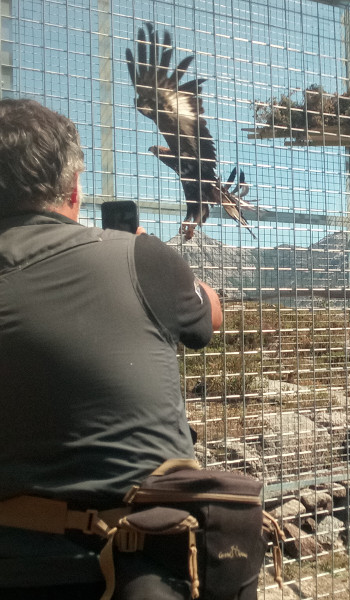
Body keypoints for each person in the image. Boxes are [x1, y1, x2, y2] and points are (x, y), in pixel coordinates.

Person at [0, 99, 222, 598]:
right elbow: (210, 317)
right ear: (75, 190)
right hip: (141, 566)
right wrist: (155, 262)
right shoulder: (140, 257)